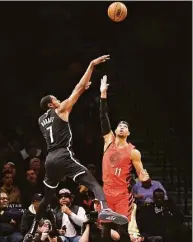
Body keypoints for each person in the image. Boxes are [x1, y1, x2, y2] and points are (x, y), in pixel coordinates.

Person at [24, 55, 128, 242]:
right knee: (94, 184)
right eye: (55, 99)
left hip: (49, 159)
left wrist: (80, 90)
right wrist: (91, 66)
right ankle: (104, 209)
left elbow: (71, 97)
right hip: (64, 154)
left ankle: (32, 231)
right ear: (50, 104)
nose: (59, 100)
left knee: (47, 198)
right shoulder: (61, 109)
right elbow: (77, 89)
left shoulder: (41, 120)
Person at [99, 75, 150, 223]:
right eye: (119, 126)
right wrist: (103, 94)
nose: (122, 128)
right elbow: (103, 116)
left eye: (125, 127)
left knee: (122, 228)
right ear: (115, 130)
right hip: (106, 192)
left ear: (128, 133)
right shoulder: (109, 141)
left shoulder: (134, 152)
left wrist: (143, 178)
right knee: (106, 230)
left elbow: (141, 175)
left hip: (122, 194)